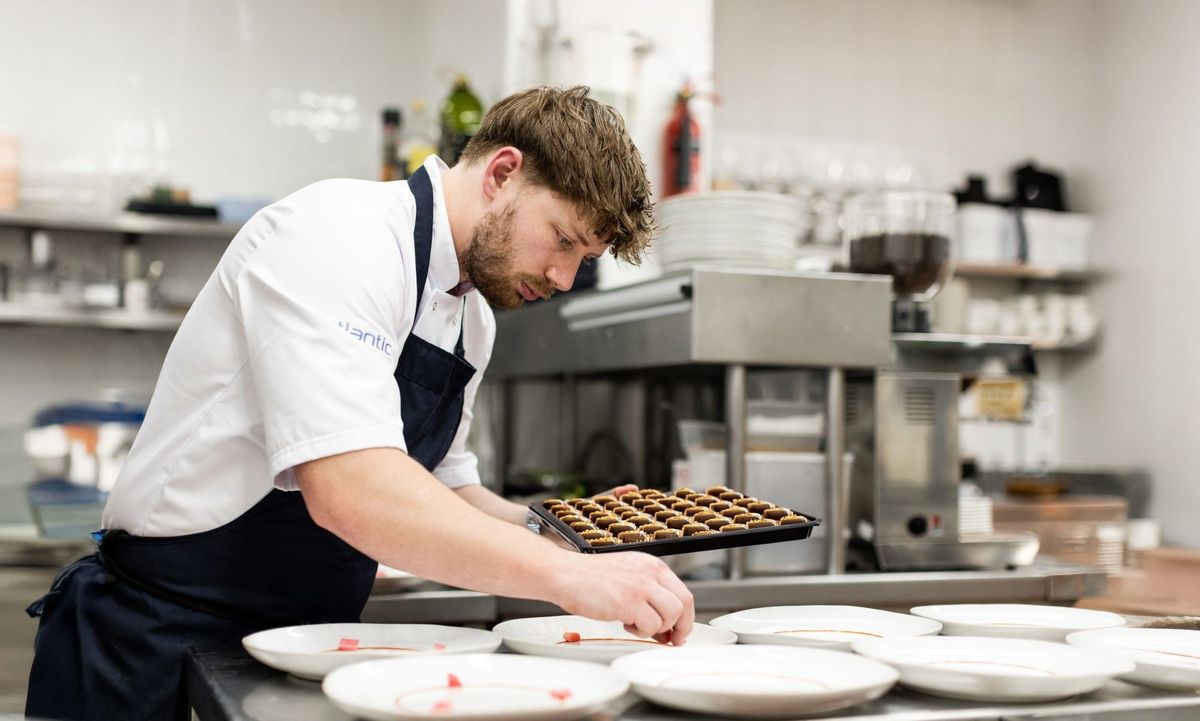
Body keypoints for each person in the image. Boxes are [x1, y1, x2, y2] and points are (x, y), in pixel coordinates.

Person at [25, 85, 692, 721]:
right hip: (151, 641)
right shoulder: (339, 236)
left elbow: (440, 486)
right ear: (502, 173)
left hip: (296, 650)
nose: (564, 276)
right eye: (565, 241)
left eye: (586, 258)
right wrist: (566, 577)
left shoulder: (472, 317)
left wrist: (560, 532)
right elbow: (352, 489)